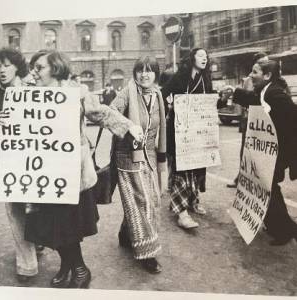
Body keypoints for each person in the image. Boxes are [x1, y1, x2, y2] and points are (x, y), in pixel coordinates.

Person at [20, 50, 143, 288]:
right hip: (44, 173)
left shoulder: (77, 92)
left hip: (72, 173)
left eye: (39, 67)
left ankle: (80, 269)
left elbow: (101, 113)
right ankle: (67, 266)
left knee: (68, 225)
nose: (34, 72)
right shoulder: (31, 95)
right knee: (52, 224)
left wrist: (128, 126)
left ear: (55, 69)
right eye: (33, 68)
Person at [110, 56, 166, 274]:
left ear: (155, 74)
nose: (144, 74)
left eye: (149, 70)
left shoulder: (158, 94)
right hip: (127, 156)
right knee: (144, 201)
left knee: (144, 199)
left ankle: (126, 233)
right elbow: (110, 112)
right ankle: (147, 252)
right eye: (140, 70)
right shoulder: (127, 92)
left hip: (149, 154)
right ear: (134, 74)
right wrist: (129, 125)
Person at [233, 59, 297, 246]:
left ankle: (286, 230)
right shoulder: (266, 91)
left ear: (267, 75)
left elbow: (292, 115)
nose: (251, 76)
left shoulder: (275, 93)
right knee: (265, 187)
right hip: (271, 152)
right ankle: (279, 227)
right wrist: (235, 92)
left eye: (255, 72)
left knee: (268, 188)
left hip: (278, 152)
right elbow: (254, 100)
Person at [161, 48, 226, 230]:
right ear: (192, 59)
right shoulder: (180, 76)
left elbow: (209, 102)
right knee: (182, 168)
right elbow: (164, 92)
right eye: (200, 56)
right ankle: (181, 212)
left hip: (200, 130)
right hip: (181, 129)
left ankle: (193, 201)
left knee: (197, 166)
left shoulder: (206, 78)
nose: (204, 59)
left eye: (206, 57)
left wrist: (221, 100)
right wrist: (170, 106)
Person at [0, 47, 39, 283]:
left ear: (17, 66)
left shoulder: (33, 91)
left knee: (35, 208)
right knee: (14, 211)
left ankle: (37, 241)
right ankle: (27, 264)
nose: (1, 70)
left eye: (6, 65)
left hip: (35, 162)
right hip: (8, 163)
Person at [226, 52, 269, 188]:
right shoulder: (248, 80)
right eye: (262, 62)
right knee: (245, 151)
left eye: (267, 62)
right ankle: (241, 177)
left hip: (264, 124)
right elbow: (245, 100)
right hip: (250, 120)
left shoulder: (271, 82)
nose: (265, 65)